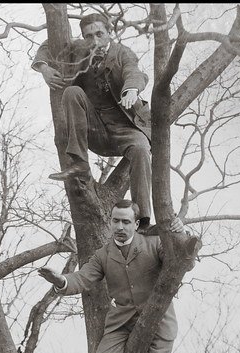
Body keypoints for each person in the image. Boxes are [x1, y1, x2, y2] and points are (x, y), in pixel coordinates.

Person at [38, 200, 191, 353]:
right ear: (110, 222)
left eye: (126, 222)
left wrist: (180, 235)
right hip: (122, 323)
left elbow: (182, 262)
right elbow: (82, 278)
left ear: (136, 224)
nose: (120, 227)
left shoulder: (154, 243)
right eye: (115, 221)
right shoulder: (103, 254)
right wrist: (61, 280)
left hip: (160, 325)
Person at [33, 12, 153, 226]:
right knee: (72, 92)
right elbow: (49, 43)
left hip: (124, 129)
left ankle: (142, 219)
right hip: (96, 131)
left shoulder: (122, 53)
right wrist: (44, 68)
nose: (95, 41)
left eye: (99, 34)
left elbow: (133, 72)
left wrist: (131, 90)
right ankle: (79, 163)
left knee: (141, 148)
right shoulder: (80, 50)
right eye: (89, 36)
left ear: (110, 33)